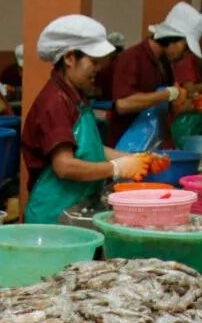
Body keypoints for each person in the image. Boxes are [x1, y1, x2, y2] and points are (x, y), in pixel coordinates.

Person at [20, 14, 166, 225]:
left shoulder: (76, 96)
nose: (99, 68)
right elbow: (64, 165)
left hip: (73, 207)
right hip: (52, 218)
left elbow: (89, 148)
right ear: (70, 58)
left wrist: (135, 159)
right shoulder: (55, 102)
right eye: (94, 61)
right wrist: (117, 167)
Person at [107, 2, 202, 144]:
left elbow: (168, 107)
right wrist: (167, 94)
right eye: (186, 48)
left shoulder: (164, 63)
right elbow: (123, 104)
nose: (185, 55)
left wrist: (197, 104)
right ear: (173, 39)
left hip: (152, 145)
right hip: (126, 148)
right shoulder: (132, 58)